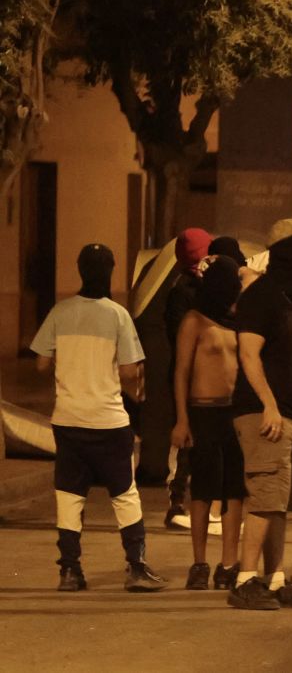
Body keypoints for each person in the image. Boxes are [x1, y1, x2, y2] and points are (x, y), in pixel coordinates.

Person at [36, 244, 165, 593]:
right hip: (108, 421)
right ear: (109, 271)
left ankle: (70, 570)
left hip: (68, 418)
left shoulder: (60, 312)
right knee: (124, 494)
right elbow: (127, 373)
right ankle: (136, 566)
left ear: (79, 270)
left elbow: (41, 363)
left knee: (69, 495)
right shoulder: (117, 315)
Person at [228, 219, 292, 610]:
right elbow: (248, 354)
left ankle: (275, 577)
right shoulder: (260, 296)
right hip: (261, 413)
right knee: (266, 497)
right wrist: (269, 404)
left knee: (280, 502)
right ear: (283, 250)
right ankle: (245, 579)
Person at [170, 256, 246, 591]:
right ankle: (199, 562)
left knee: (234, 490)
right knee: (202, 489)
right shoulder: (194, 321)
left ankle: (228, 562)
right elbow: (181, 372)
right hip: (202, 412)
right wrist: (182, 419)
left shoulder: (236, 320)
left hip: (233, 414)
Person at [161, 228, 214, 531]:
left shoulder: (201, 286)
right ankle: (176, 503)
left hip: (205, 377)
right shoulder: (183, 292)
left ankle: (199, 504)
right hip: (188, 378)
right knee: (184, 440)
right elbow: (180, 338)